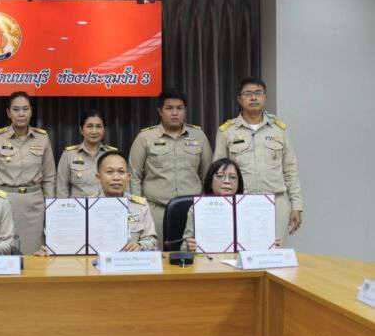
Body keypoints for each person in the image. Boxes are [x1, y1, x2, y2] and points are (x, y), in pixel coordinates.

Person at [213, 77, 303, 240]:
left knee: (274, 251)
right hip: (240, 202)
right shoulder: (227, 131)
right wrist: (220, 206)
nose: (253, 97)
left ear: (265, 97)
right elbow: (217, 173)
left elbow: (290, 169)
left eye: (258, 93)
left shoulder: (278, 130)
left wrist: (296, 205)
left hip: (276, 202)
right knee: (240, 250)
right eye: (248, 94)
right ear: (239, 99)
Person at [129, 89, 212, 246]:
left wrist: (206, 209)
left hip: (192, 212)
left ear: (185, 111)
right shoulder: (145, 138)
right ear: (160, 111)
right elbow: (134, 177)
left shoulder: (199, 136)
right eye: (169, 108)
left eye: (179, 108)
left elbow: (208, 176)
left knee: (192, 255)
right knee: (157, 256)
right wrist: (139, 211)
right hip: (156, 212)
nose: (175, 113)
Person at [35, 151, 158, 256]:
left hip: (127, 265)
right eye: (109, 172)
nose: (116, 177)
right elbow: (67, 241)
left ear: (128, 177)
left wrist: (140, 246)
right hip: (92, 267)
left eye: (121, 172)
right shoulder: (84, 207)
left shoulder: (139, 205)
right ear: (98, 177)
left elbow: (152, 240)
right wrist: (52, 249)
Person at [0, 91, 56, 254]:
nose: (21, 114)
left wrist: (50, 207)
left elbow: (49, 177)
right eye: (16, 110)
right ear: (8, 113)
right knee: (4, 251)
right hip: (4, 201)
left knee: (34, 253)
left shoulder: (42, 137)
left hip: (34, 204)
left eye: (25, 109)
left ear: (31, 111)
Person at [182, 158, 282, 252]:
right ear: (210, 182)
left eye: (232, 177)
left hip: (242, 261)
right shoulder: (197, 208)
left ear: (239, 183)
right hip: (209, 261)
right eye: (220, 176)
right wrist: (188, 247)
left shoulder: (251, 208)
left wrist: (270, 245)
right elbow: (183, 248)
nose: (227, 181)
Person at [56, 109, 118, 198]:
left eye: (98, 126)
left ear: (104, 129)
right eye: (89, 126)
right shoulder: (69, 155)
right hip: (78, 206)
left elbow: (122, 187)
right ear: (81, 130)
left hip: (107, 206)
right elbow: (61, 190)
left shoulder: (113, 155)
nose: (94, 131)